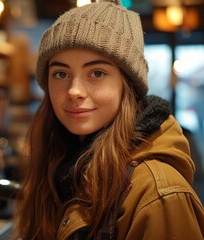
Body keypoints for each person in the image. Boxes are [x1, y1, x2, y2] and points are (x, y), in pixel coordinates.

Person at [13, 0, 204, 239]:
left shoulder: (158, 194)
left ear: (127, 86)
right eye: (60, 73)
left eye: (97, 73)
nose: (74, 91)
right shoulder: (58, 166)